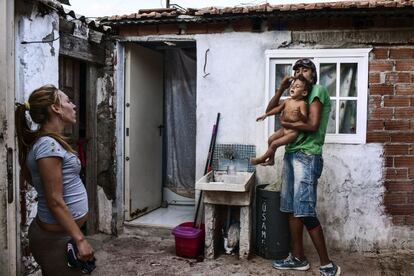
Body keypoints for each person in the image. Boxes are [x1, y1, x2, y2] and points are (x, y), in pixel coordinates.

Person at [269, 59, 340, 276]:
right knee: (292, 209)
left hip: (307, 156)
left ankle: (327, 264)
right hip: (292, 154)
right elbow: (270, 109)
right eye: (297, 70)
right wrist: (281, 87)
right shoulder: (294, 96)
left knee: (305, 211)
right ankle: (298, 258)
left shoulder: (316, 90)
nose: (300, 73)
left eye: (305, 69)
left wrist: (287, 124)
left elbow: (313, 125)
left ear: (313, 74)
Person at [15, 84, 95, 275]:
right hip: (55, 240)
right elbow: (54, 200)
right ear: (56, 108)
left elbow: (30, 176)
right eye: (68, 101)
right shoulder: (48, 145)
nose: (74, 106)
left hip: (60, 235)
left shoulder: (47, 142)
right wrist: (80, 240)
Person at [251, 75, 312, 166]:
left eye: (297, 86)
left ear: (304, 93)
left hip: (292, 132)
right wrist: (266, 115)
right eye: (293, 86)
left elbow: (305, 119)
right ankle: (271, 160)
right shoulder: (287, 101)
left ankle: (262, 158)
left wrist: (300, 115)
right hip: (284, 129)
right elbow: (278, 109)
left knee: (275, 143)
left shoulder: (302, 104)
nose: (293, 87)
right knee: (271, 139)